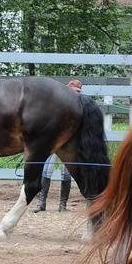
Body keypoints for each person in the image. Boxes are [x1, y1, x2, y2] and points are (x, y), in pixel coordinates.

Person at [35, 79, 84, 212]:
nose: (76, 94)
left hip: (68, 145)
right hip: (53, 142)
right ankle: (41, 203)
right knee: (47, 170)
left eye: (78, 92)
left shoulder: (80, 107)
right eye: (74, 91)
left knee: (66, 173)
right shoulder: (55, 104)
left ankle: (63, 205)